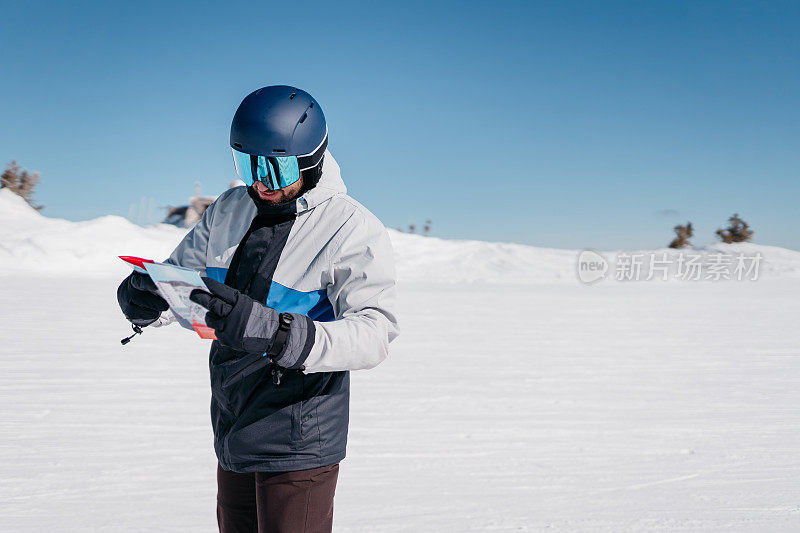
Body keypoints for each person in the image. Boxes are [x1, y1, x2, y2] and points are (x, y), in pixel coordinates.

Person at [117, 85, 399, 533]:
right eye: (246, 164)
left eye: (274, 166)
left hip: (299, 435)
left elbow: (374, 333)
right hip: (233, 425)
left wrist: (279, 334)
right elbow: (187, 281)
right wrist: (148, 298)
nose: (260, 181)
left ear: (310, 159)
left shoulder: (349, 226)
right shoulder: (229, 209)